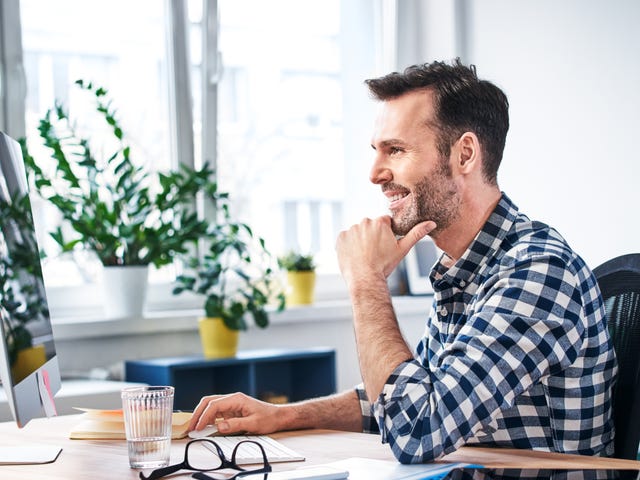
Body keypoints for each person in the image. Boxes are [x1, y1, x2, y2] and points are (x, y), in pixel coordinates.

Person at [188, 59, 617, 470]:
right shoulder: (465, 270)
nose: (375, 173)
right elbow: (409, 400)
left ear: (464, 154)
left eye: (395, 150)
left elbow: (417, 429)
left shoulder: (536, 273)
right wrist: (282, 417)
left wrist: (366, 281)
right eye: (377, 151)